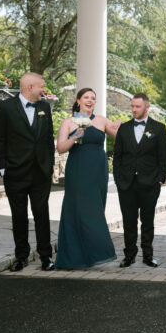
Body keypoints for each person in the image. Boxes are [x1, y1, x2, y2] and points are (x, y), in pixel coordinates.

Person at [0, 72, 56, 272]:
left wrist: (50, 165)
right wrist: (3, 168)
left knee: (41, 214)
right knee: (18, 216)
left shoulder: (44, 107)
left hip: (40, 173)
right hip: (15, 172)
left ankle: (46, 257)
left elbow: (47, 138)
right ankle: (22, 256)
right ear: (30, 87)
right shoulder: (4, 108)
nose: (43, 90)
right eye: (41, 86)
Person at [54, 88, 121, 269]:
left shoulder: (101, 120)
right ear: (78, 100)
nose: (90, 100)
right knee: (79, 209)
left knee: (96, 209)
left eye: (93, 98)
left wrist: (119, 126)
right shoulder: (68, 122)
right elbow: (60, 148)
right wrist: (76, 136)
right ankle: (77, 255)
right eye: (86, 97)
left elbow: (120, 136)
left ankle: (91, 253)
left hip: (98, 171)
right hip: (78, 170)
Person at [112, 93, 166, 268]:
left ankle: (148, 255)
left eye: (137, 106)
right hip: (126, 183)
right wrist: (118, 179)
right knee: (129, 221)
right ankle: (129, 256)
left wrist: (160, 179)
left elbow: (163, 157)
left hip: (150, 183)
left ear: (147, 107)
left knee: (148, 220)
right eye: (132, 106)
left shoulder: (158, 128)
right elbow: (118, 156)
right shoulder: (124, 128)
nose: (134, 110)